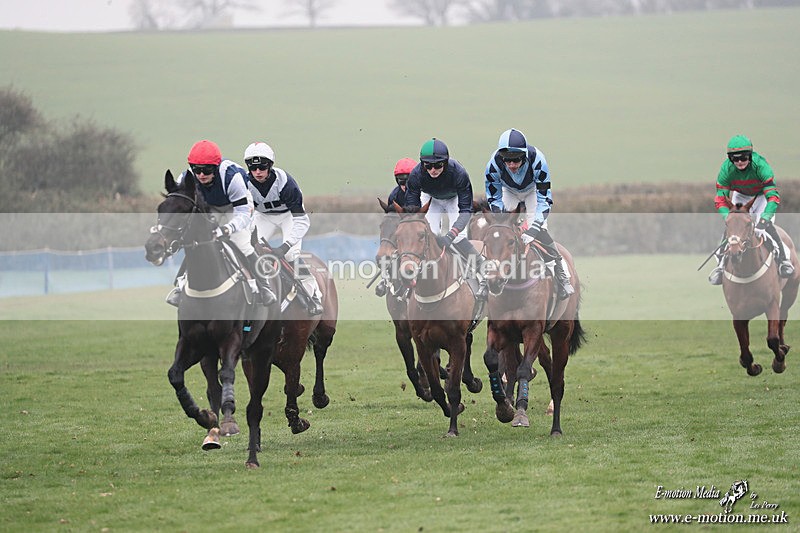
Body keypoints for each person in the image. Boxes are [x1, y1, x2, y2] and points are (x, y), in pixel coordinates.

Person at [166, 140, 277, 307]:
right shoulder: (186, 179)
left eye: (207, 170)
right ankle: (180, 286)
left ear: (216, 167)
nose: (201, 175)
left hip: (235, 207)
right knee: (195, 242)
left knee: (241, 242)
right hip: (210, 207)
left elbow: (242, 212)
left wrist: (227, 229)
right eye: (197, 170)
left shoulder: (232, 177)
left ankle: (264, 286)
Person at [485, 128, 574, 299]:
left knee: (540, 231)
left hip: (534, 192)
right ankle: (485, 278)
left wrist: (533, 229)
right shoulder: (493, 164)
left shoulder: (538, 160)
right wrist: (501, 218)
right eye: (507, 161)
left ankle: (561, 273)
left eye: (516, 160)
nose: (511, 165)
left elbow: (544, 200)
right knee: (499, 231)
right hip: (508, 191)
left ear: (524, 155)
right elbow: (493, 196)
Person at [243, 141, 323, 315]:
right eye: (253, 168)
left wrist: (285, 245)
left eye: (262, 167)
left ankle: (314, 293)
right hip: (262, 216)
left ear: (270, 166)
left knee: (291, 255)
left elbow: (303, 221)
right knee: (247, 250)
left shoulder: (286, 184)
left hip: (288, 216)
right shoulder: (244, 182)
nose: (257, 172)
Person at [405, 138, 488, 301]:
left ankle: (484, 268)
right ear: (422, 164)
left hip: (453, 198)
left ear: (446, 162)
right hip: (430, 198)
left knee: (459, 238)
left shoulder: (459, 173)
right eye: (428, 166)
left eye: (438, 165)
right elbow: (413, 213)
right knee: (430, 234)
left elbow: (466, 210)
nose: (433, 170)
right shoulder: (415, 175)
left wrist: (451, 234)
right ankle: (413, 276)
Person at [709, 134, 794, 285]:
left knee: (765, 228)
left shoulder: (761, 166)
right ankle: (721, 266)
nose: (740, 162)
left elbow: (773, 197)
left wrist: (763, 220)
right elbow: (720, 199)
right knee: (733, 228)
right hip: (740, 197)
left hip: (761, 196)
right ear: (730, 159)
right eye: (735, 159)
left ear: (750, 155)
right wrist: (728, 218)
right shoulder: (726, 170)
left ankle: (783, 260)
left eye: (744, 158)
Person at [375, 157, 417, 297]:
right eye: (401, 181)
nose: (404, 185)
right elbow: (391, 219)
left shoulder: (423, 193)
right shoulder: (394, 195)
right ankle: (386, 278)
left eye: (408, 181)